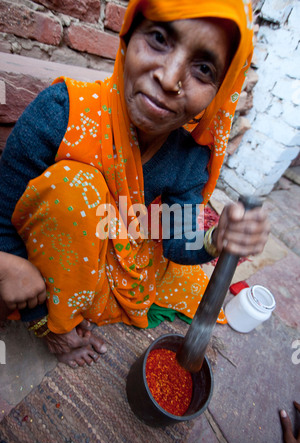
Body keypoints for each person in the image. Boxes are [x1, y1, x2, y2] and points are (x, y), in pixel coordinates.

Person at [0, 0, 269, 367]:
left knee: (194, 287)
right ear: (128, 35)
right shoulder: (62, 112)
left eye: (203, 69)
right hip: (59, 257)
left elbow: (176, 240)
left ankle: (90, 297)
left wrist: (214, 239)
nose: (170, 78)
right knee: (74, 189)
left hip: (124, 252)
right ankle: (58, 328)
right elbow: (2, 212)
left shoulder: (189, 157)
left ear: (219, 94)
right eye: (159, 38)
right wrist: (10, 265)